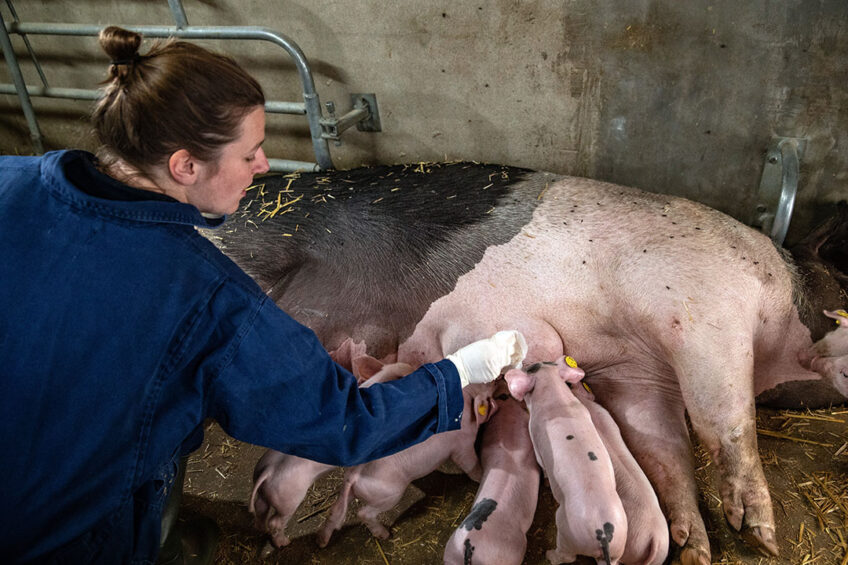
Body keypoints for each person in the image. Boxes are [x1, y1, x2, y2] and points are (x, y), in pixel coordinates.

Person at [0, 26, 528, 565]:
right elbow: (343, 422)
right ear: (185, 166)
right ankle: (157, 537)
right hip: (57, 537)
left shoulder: (9, 179)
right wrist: (461, 369)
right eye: (250, 152)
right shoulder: (205, 291)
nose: (264, 166)